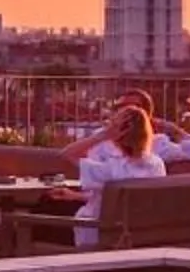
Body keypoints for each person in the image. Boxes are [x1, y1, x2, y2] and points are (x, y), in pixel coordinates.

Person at [70, 104, 169, 246]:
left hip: (99, 231)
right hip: (141, 233)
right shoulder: (157, 164)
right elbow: (118, 198)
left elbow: (67, 154)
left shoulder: (112, 169)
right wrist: (74, 196)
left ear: (117, 136)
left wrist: (102, 136)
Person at [59, 89, 190, 166]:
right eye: (120, 107)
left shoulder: (158, 144)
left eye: (131, 107)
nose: (124, 111)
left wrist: (173, 129)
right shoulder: (156, 165)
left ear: (145, 114)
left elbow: (69, 154)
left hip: (102, 214)